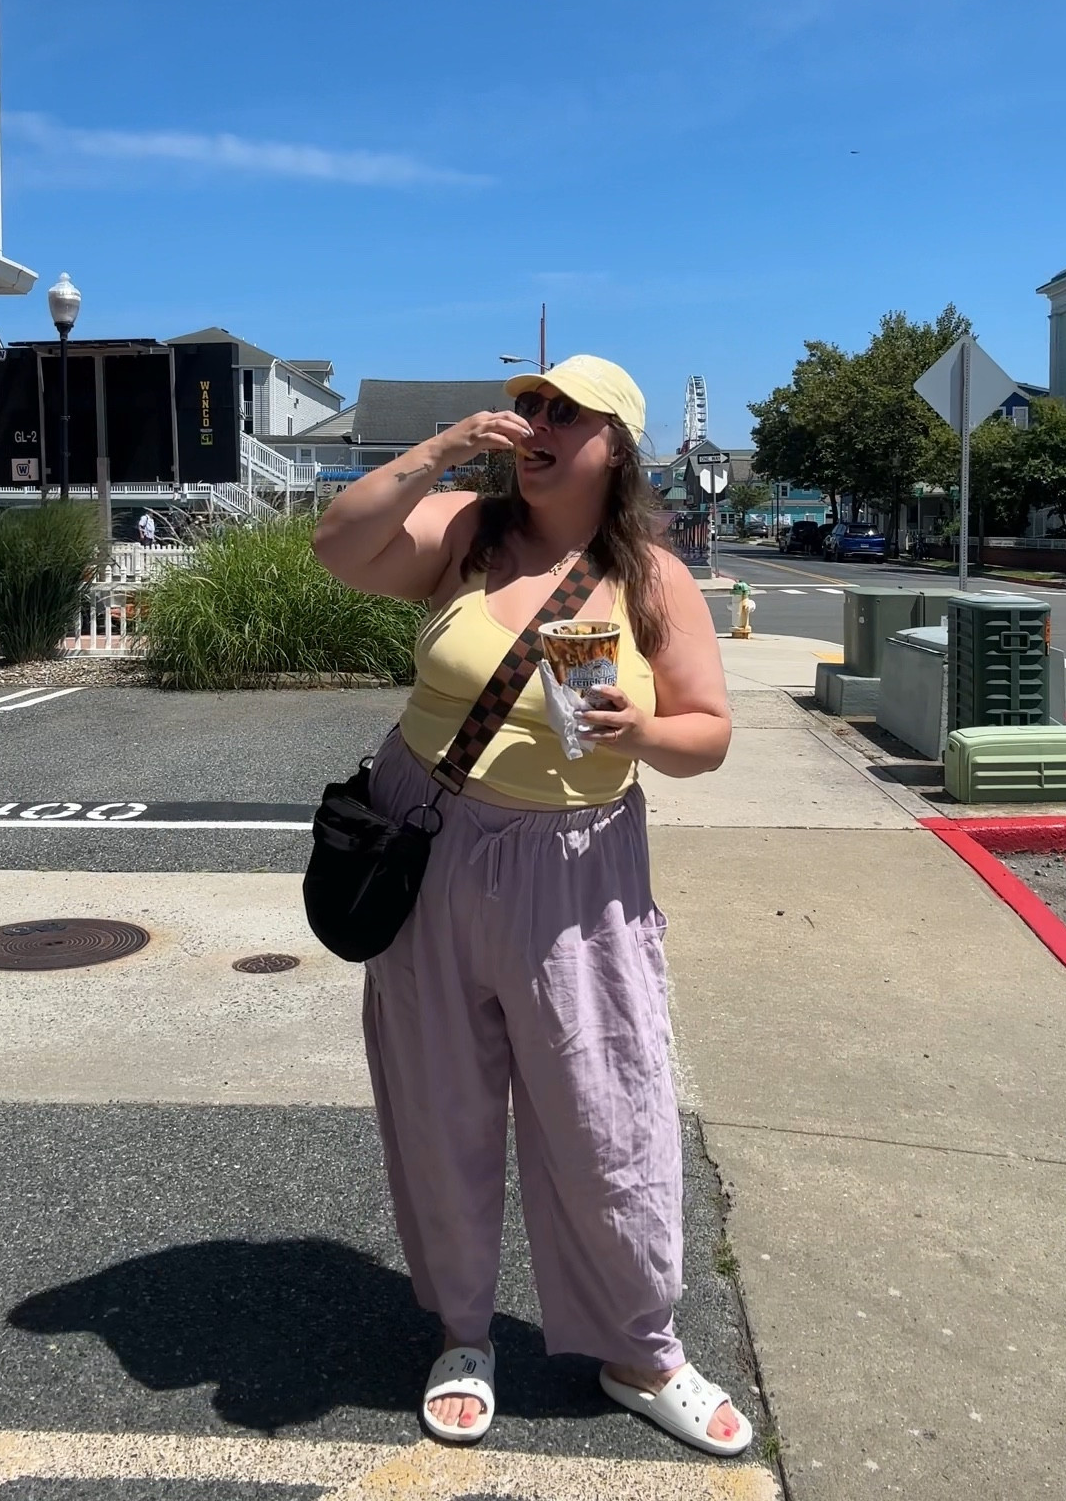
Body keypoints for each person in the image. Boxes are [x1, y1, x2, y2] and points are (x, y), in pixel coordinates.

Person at [312, 355, 749, 1456]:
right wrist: (439, 452)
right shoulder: (465, 529)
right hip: (433, 839)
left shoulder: (652, 578)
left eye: (568, 412)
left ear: (617, 447)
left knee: (610, 1111)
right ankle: (463, 1333)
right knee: (441, 1102)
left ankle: (643, 1348)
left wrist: (640, 735)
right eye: (532, 405)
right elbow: (339, 546)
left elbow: (709, 731)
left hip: (579, 866)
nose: (538, 421)